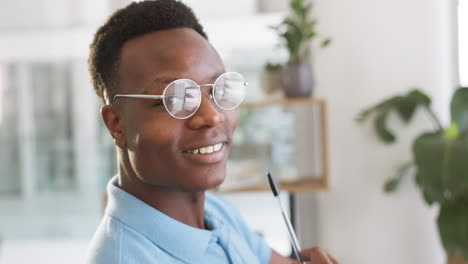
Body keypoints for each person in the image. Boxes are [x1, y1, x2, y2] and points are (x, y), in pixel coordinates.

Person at [85, 1, 339, 263]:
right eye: (176, 98)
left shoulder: (215, 211)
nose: (212, 115)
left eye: (216, 90)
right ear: (117, 123)